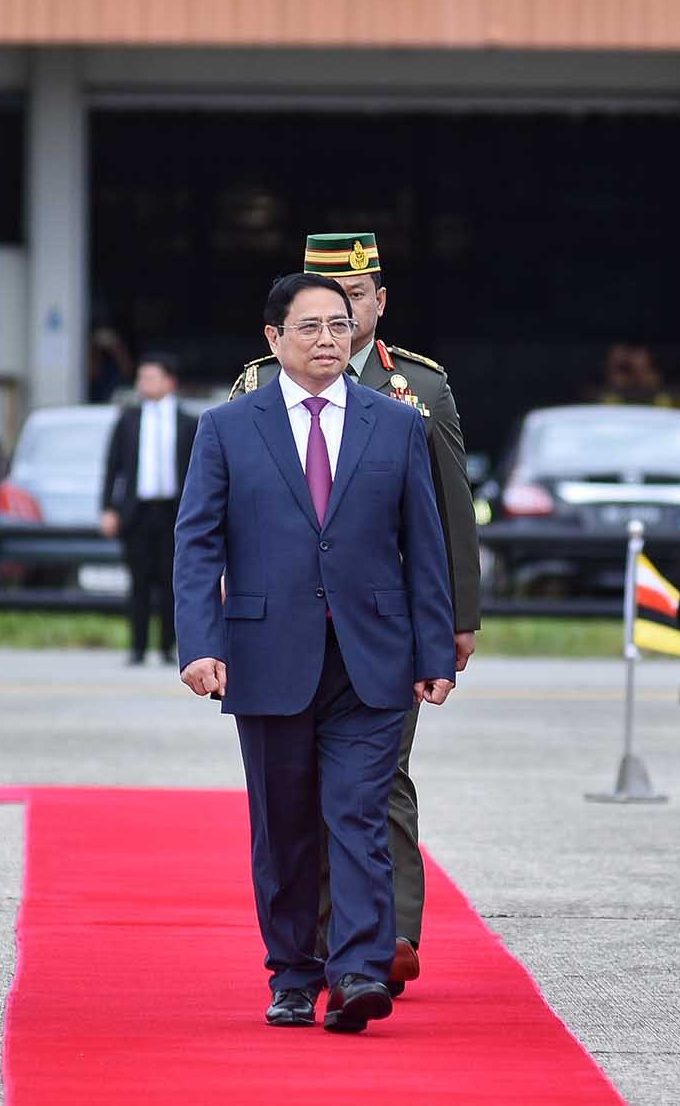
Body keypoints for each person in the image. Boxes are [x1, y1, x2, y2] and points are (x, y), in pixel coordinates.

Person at [175, 271, 457, 1033]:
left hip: (374, 656)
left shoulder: (397, 424)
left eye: (339, 324)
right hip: (267, 653)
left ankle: (360, 968)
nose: (328, 339)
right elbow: (198, 543)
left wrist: (436, 650)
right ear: (273, 340)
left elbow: (425, 549)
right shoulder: (228, 427)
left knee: (358, 813)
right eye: (310, 327)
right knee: (286, 822)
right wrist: (200, 643)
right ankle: (294, 970)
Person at [229, 232, 477, 992]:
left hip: (387, 624)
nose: (342, 320)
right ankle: (328, 942)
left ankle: (388, 936)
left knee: (378, 783)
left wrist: (456, 620)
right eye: (326, 308)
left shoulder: (419, 394)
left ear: (376, 301)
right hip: (291, 630)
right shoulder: (255, 390)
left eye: (358, 299)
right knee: (299, 794)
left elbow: (448, 516)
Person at [100, 353, 195, 666]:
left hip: (174, 511)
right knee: (138, 582)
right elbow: (112, 467)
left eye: (151, 378)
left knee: (172, 582)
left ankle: (168, 647)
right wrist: (108, 508)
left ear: (170, 381)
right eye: (141, 378)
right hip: (136, 512)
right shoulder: (128, 418)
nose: (144, 384)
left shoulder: (188, 422)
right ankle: (137, 647)